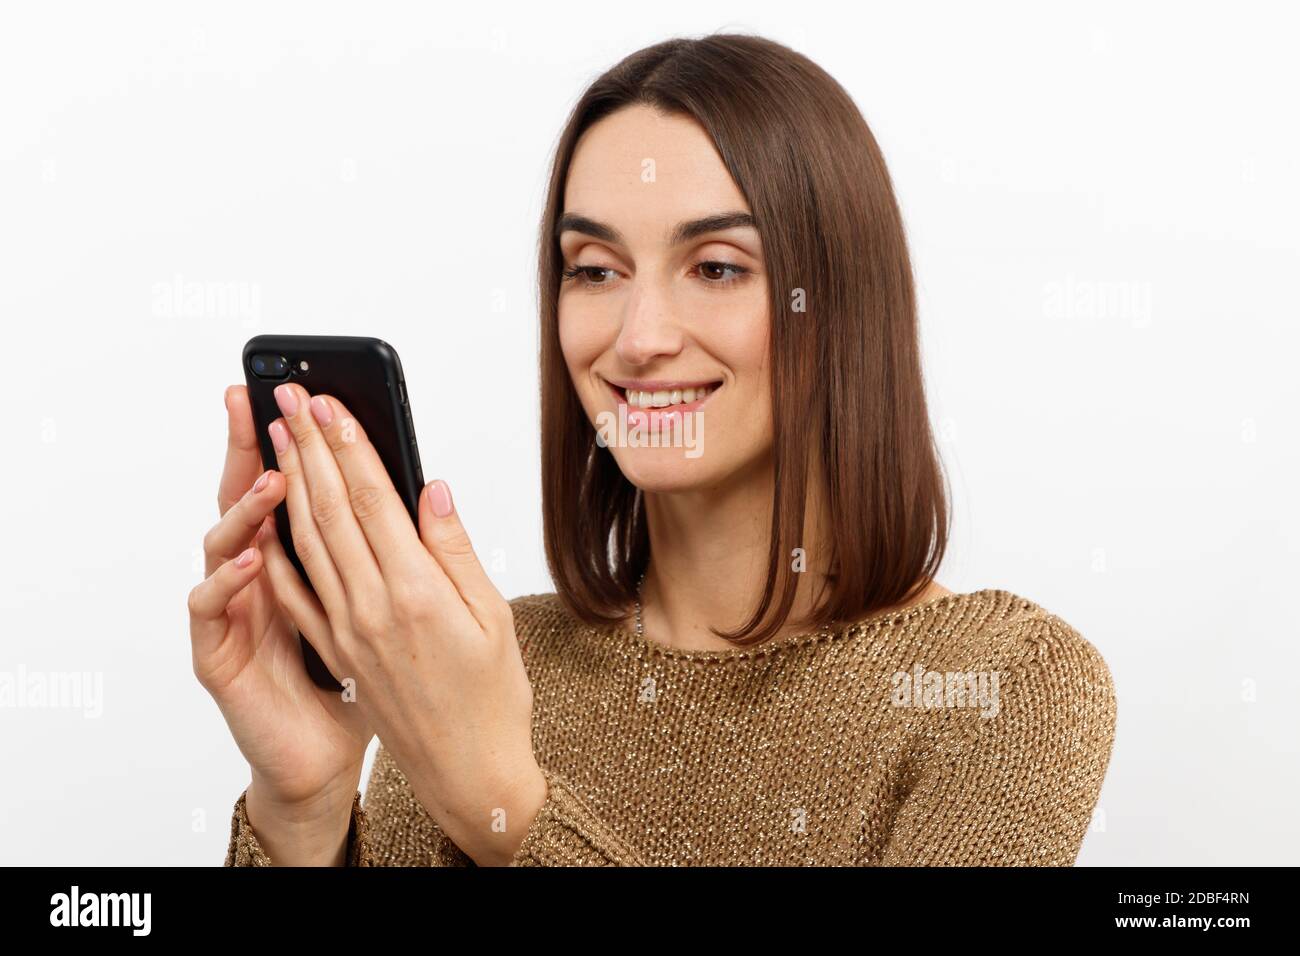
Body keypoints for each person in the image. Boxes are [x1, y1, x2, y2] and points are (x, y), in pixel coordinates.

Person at [189, 32, 1116, 867]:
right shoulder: (482, 664)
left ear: (838, 308)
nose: (638, 337)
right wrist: (303, 812)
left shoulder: (1002, 687)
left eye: (716, 267)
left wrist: (503, 805)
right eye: (595, 270)